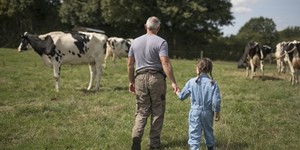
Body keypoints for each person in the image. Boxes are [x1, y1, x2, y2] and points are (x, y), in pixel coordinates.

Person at [127, 16, 179, 150]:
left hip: (139, 78)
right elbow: (165, 62)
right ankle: (154, 145)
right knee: (157, 110)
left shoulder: (135, 42)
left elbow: (130, 65)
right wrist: (173, 82)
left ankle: (136, 137)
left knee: (142, 110)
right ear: (158, 28)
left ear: (146, 26)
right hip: (156, 79)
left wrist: (131, 81)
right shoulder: (161, 42)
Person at [175, 58, 221, 150]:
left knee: (194, 134)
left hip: (195, 113)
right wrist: (217, 112)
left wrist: (177, 92)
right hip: (208, 112)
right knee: (209, 132)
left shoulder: (191, 82)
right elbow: (216, 101)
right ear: (209, 70)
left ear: (198, 68)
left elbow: (182, 96)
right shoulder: (213, 83)